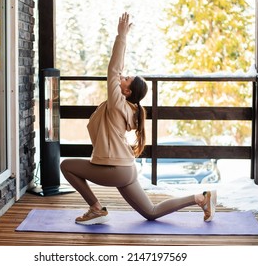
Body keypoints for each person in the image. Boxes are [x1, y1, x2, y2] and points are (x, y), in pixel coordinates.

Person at [60, 12, 216, 225]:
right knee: (151, 212)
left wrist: (121, 36)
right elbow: (116, 72)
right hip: (126, 169)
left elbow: (113, 69)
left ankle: (96, 208)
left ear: (127, 92)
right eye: (125, 76)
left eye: (126, 79)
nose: (122, 77)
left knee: (67, 166)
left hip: (115, 170)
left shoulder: (117, 104)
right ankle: (200, 198)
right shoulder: (129, 109)